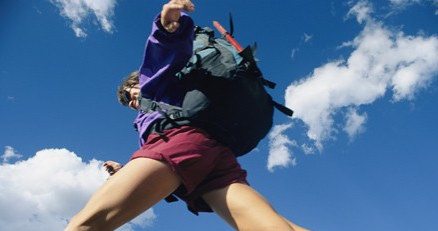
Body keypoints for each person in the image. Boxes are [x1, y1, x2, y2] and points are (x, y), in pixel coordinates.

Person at [64, 1, 310, 230]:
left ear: (138, 81)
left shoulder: (154, 85)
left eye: (130, 94)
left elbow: (161, 58)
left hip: (181, 144)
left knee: (83, 224)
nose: (132, 102)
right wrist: (125, 170)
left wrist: (167, 29)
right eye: (128, 102)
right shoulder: (159, 106)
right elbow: (158, 166)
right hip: (212, 156)